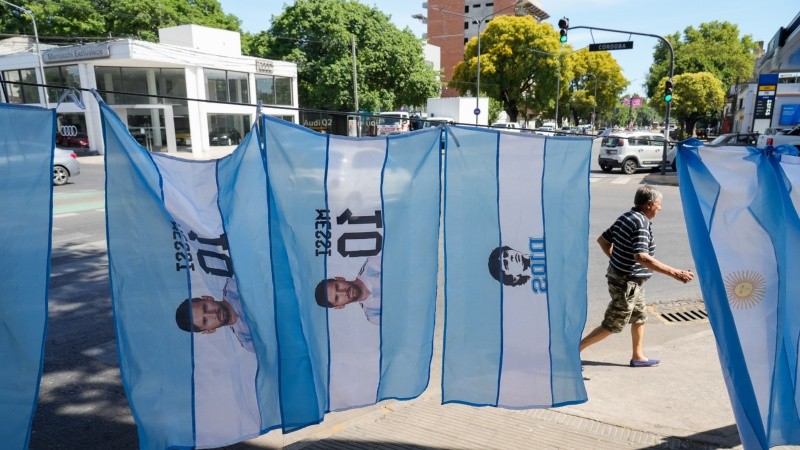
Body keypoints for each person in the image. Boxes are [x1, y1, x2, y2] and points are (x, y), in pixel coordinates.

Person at [579, 185, 694, 367]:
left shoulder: (627, 216)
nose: (660, 207)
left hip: (631, 280)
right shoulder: (640, 223)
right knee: (614, 323)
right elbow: (641, 257)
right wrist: (675, 273)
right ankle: (574, 351)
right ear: (649, 205)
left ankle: (638, 356)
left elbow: (603, 240)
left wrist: (615, 257)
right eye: (659, 203)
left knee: (640, 316)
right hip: (626, 282)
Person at [175, 278, 255, 352]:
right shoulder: (248, 341)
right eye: (205, 321)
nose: (212, 314)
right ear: (209, 330)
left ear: (208, 298)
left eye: (205, 307)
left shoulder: (235, 284)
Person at [314, 255, 381, 325]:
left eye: (337, 287)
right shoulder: (373, 315)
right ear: (340, 306)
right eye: (337, 298)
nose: (343, 293)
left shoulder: (372, 265)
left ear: (340, 278)